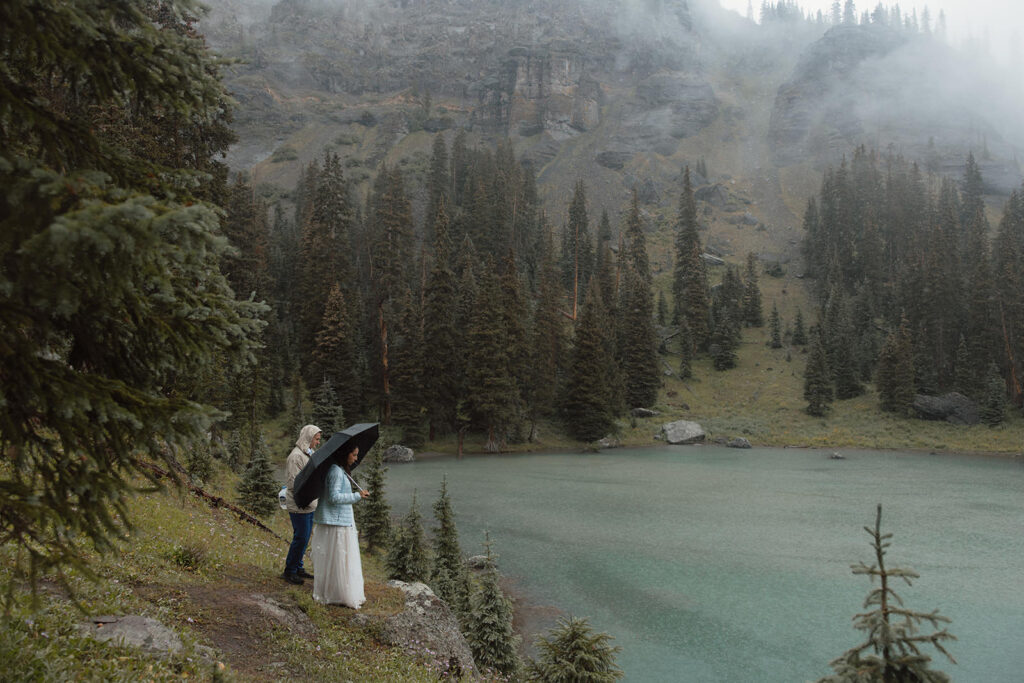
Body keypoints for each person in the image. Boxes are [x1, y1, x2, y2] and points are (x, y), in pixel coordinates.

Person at [311, 445, 368, 608]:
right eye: (354, 454)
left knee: (340, 558)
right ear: (346, 454)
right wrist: (357, 495)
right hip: (336, 522)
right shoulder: (336, 471)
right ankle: (337, 593)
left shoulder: (340, 470)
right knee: (339, 558)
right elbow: (333, 497)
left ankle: (338, 590)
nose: (356, 458)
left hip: (341, 520)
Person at [281, 424, 322, 585]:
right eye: (316, 439)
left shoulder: (308, 453)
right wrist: (312, 485)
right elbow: (293, 483)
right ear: (308, 438)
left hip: (309, 502)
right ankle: (289, 570)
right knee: (301, 537)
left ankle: (298, 567)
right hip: (299, 503)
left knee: (304, 538)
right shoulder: (295, 457)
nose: (318, 442)